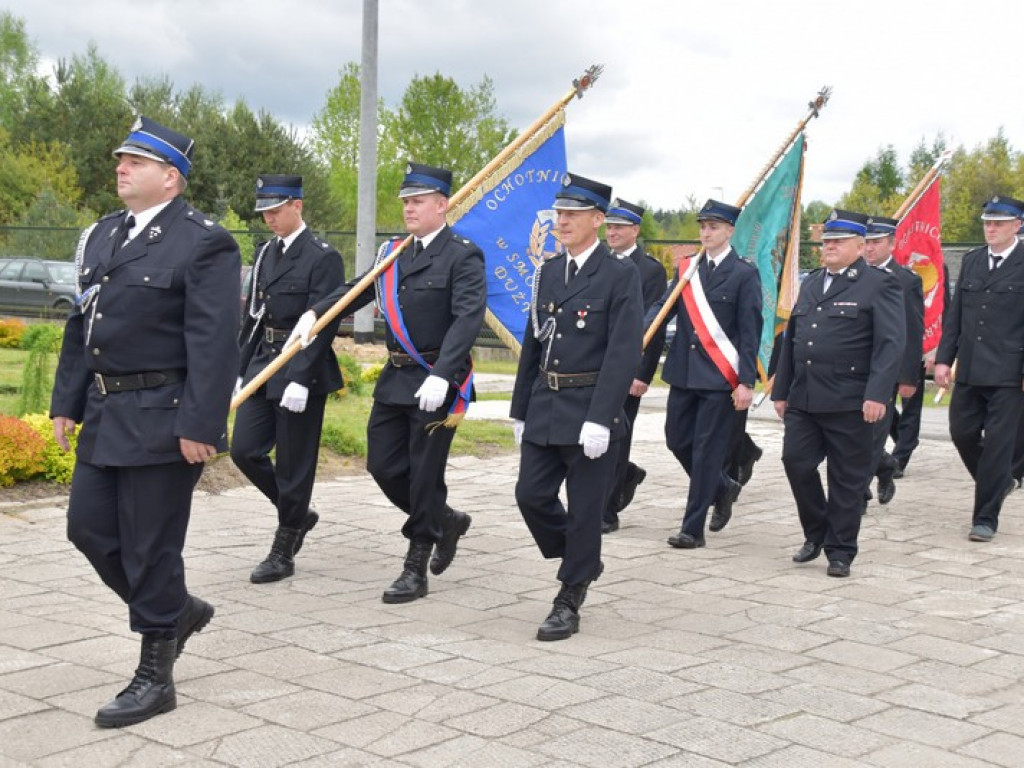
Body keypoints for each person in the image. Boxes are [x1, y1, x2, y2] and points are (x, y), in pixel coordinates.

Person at [50, 116, 240, 727]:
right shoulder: (104, 235)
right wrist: (66, 401)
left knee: (152, 547)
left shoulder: (204, 242)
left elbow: (215, 342)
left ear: (171, 178)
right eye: (120, 159)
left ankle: (155, 675)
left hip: (164, 419)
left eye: (135, 161)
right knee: (88, 529)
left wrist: (202, 424)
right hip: (107, 414)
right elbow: (83, 325)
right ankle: (176, 612)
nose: (121, 167)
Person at [290, 162, 485, 602]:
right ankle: (445, 521)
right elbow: (360, 289)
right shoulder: (395, 253)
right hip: (397, 377)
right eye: (405, 202)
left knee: (424, 474)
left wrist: (442, 373)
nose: (408, 209)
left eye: (417, 201)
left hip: (438, 379)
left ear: (442, 204)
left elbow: (467, 317)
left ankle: (415, 568)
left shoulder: (463, 254)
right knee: (382, 464)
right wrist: (317, 313)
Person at [511, 173, 642, 641]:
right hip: (547, 403)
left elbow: (623, 351)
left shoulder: (619, 274)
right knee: (530, 495)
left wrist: (602, 417)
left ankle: (570, 595)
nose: (561, 221)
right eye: (559, 212)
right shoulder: (548, 271)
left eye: (572, 214)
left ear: (598, 219)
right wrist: (520, 409)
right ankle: (582, 557)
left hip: (590, 408)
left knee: (586, 510)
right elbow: (533, 344)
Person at [772, 209, 904, 577]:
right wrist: (781, 391)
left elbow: (890, 344)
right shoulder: (812, 282)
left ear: (861, 246)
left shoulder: (879, 284)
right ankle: (816, 532)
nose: (829, 247)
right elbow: (793, 339)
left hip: (851, 398)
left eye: (838, 241)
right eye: (827, 241)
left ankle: (841, 550)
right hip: (805, 397)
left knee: (846, 478)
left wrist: (877, 395)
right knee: (795, 462)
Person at [231, 175, 345, 583]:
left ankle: (284, 546)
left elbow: (325, 322)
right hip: (264, 361)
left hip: (301, 366)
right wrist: (240, 371)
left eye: (276, 210)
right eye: (264, 212)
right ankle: (298, 512)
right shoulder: (265, 254)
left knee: (295, 463)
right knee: (244, 449)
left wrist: (301, 376)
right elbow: (254, 318)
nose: (269, 219)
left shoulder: (322, 257)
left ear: (297, 205)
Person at [650, 199, 763, 549]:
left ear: (730, 231)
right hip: (684, 372)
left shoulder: (744, 273)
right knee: (676, 439)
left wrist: (746, 380)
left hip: (719, 378)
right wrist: (639, 329)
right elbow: (664, 307)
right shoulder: (687, 268)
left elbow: (750, 330)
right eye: (702, 226)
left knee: (705, 451)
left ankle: (692, 529)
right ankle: (722, 486)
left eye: (713, 227)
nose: (706, 233)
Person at [935, 194, 1024, 542]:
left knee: (1000, 444)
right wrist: (944, 358)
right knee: (962, 432)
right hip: (971, 367)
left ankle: (985, 517)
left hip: (1009, 372)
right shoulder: (972, 261)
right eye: (988, 222)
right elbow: (955, 315)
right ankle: (998, 481)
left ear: (1017, 225)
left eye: (999, 223)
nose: (991, 228)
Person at [601, 198, 667, 533]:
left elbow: (653, 327)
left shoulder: (651, 270)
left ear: (635, 231)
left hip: (629, 369)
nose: (612, 232)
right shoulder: (598, 261)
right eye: (609, 226)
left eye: (619, 227)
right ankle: (624, 475)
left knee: (619, 436)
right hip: (597, 364)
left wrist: (643, 374)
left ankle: (608, 510)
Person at [862, 215, 924, 508]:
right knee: (853, 433)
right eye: (866, 242)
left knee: (873, 433)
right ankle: (884, 466)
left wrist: (908, 376)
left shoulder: (906, 280)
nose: (869, 248)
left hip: (884, 370)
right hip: (852, 369)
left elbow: (911, 331)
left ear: (891, 243)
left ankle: (857, 495)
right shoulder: (853, 276)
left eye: (876, 242)